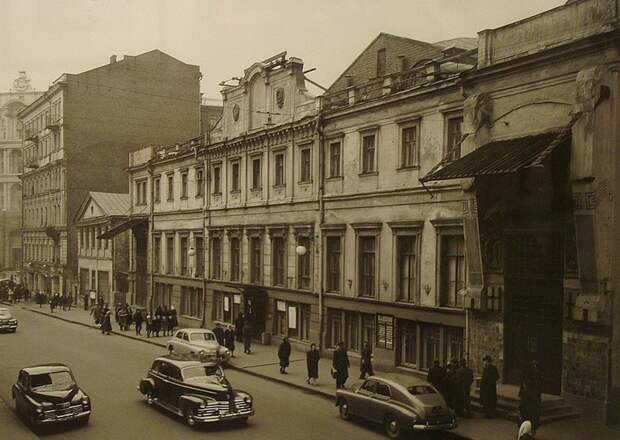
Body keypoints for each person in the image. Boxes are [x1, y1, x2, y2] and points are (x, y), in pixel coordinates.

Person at [519, 360, 541, 435]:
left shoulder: (531, 384)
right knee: (529, 420)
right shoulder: (528, 381)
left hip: (530, 407)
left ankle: (529, 433)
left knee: (530, 420)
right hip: (529, 406)